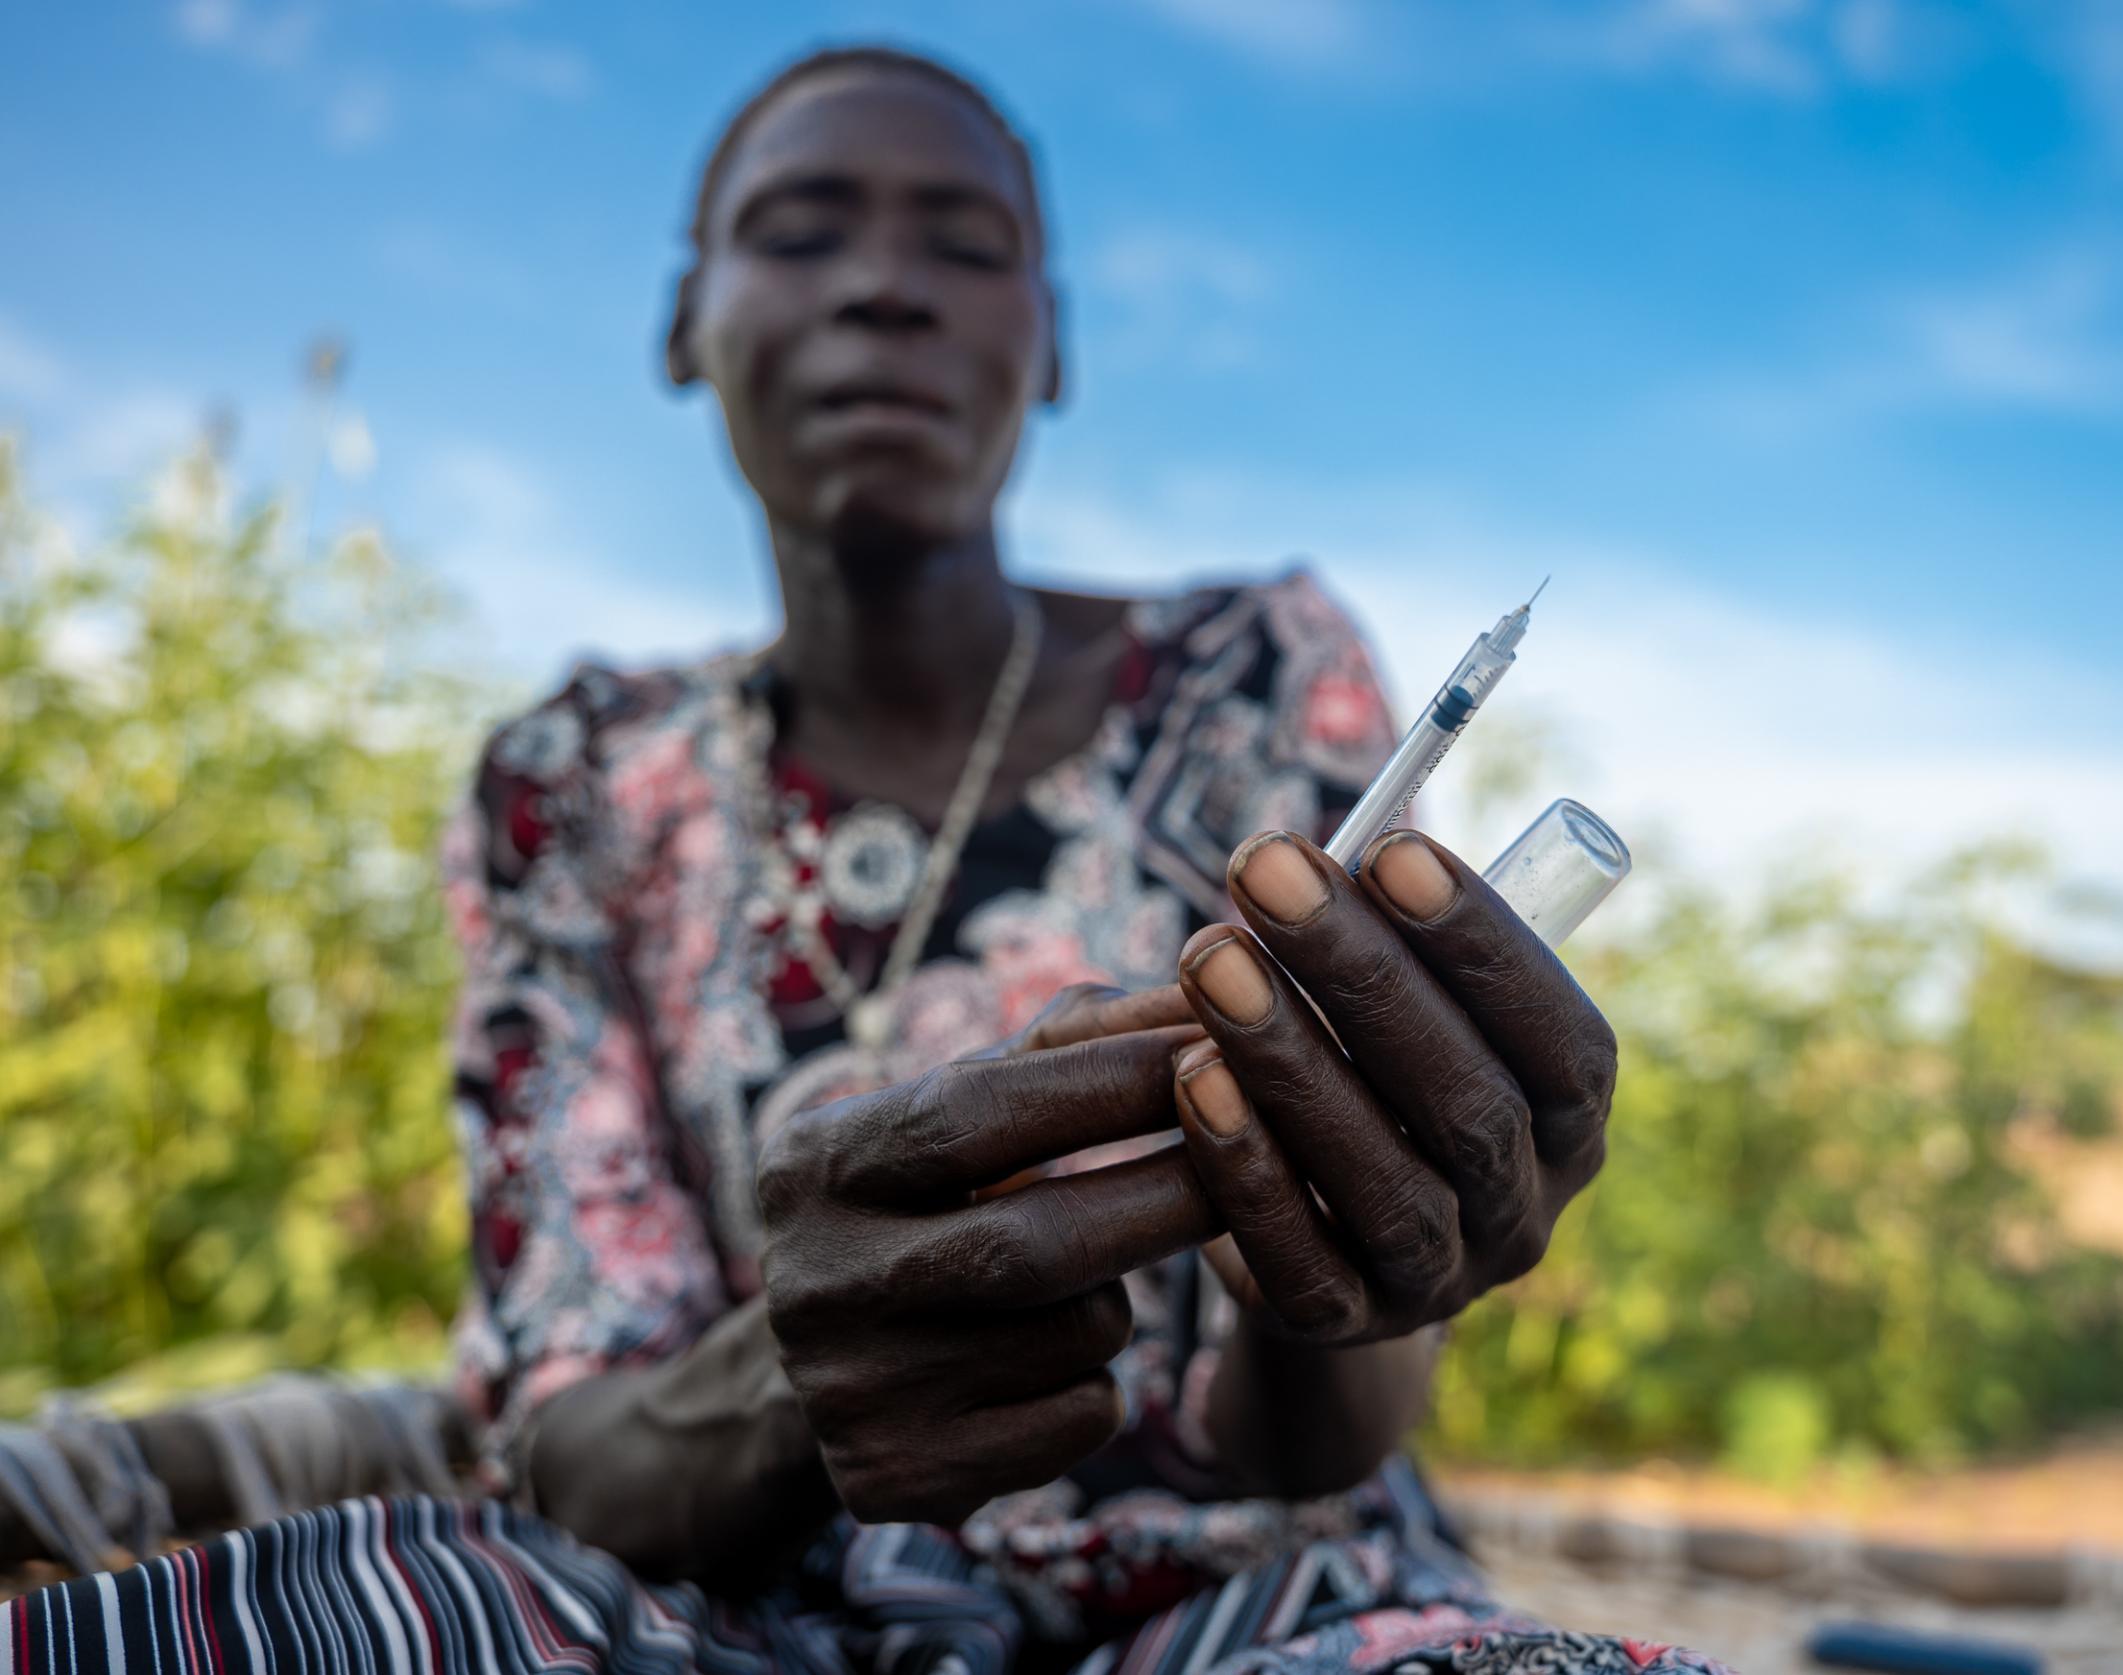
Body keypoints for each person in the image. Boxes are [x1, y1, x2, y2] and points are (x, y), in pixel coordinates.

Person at [0, 46, 1725, 1675]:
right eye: (799, 231)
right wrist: (785, 1383)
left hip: (1253, 1588)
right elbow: (577, 1448)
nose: (886, 289)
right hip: (718, 1600)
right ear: (686, 325)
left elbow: (1318, 1437)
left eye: (965, 247)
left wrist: (1350, 1275)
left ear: (1052, 345)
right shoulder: (576, 782)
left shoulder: (1255, 676)